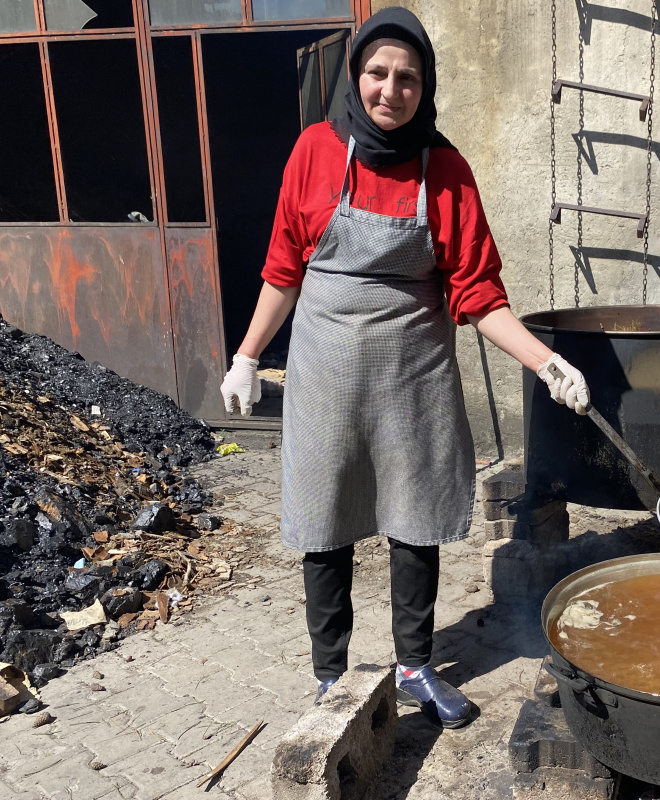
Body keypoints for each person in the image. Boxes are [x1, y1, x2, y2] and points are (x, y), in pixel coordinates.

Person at [218, 7, 589, 729]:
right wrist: (246, 355)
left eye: (408, 78)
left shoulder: (445, 171)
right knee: (324, 521)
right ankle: (332, 678)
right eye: (378, 74)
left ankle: (415, 665)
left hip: (414, 373)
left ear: (426, 87)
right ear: (356, 78)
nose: (391, 90)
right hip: (325, 370)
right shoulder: (315, 153)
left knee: (414, 517)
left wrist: (547, 363)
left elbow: (479, 295)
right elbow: (284, 270)